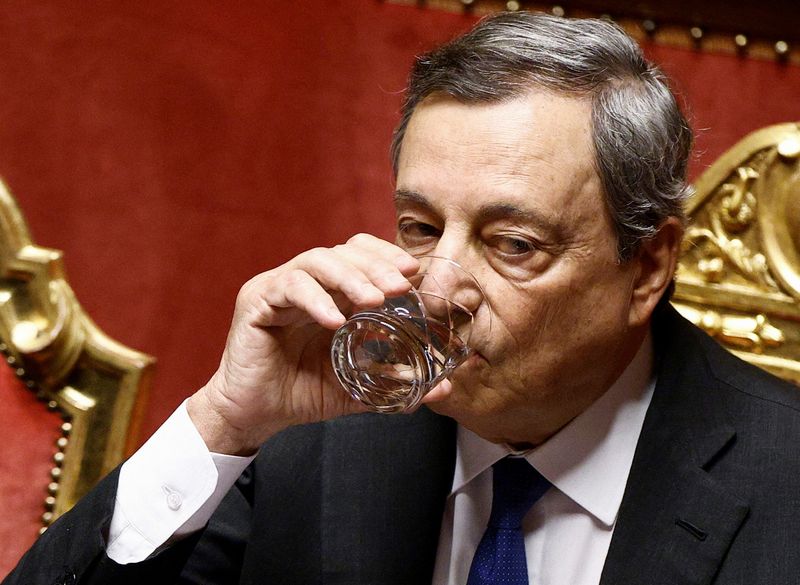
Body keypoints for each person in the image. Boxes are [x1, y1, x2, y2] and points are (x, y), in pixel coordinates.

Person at [6, 11, 800, 585]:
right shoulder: (313, 444)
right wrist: (226, 420)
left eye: (512, 244)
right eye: (420, 227)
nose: (439, 285)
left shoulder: (783, 482)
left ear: (649, 265)